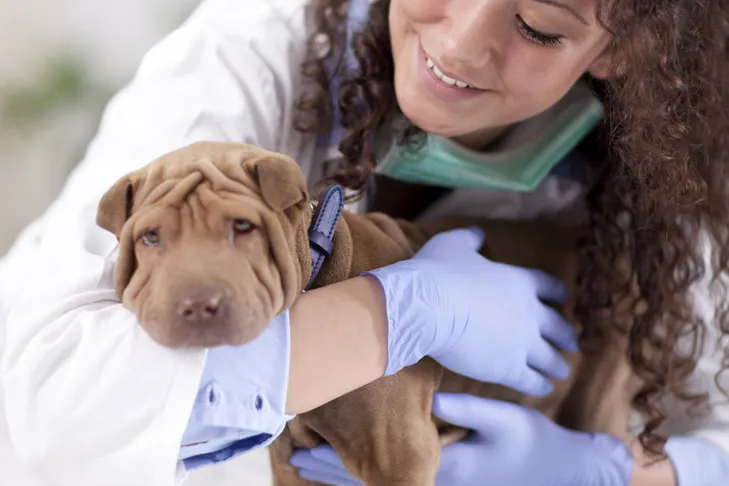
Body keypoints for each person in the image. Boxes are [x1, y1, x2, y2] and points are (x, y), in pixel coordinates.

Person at [0, 0, 727, 485]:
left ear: (624, 45)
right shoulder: (246, 57)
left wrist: (614, 474)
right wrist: (398, 315)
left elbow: (715, 432)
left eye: (537, 25)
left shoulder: (677, 171)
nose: (458, 43)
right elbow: (46, 412)